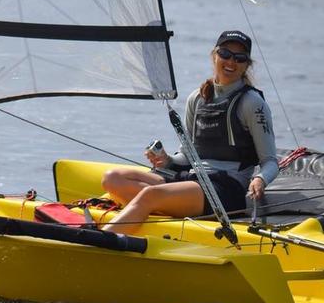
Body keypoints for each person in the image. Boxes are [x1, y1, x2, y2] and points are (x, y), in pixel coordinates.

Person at [100, 30, 278, 235]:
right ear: (215, 55)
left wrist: (260, 179)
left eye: (240, 58)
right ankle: (159, 206)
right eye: (226, 54)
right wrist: (166, 160)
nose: (231, 62)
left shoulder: (253, 103)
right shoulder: (198, 98)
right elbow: (187, 155)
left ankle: (100, 239)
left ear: (247, 64)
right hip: (192, 179)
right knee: (111, 178)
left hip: (226, 190)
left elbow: (270, 161)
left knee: (150, 195)